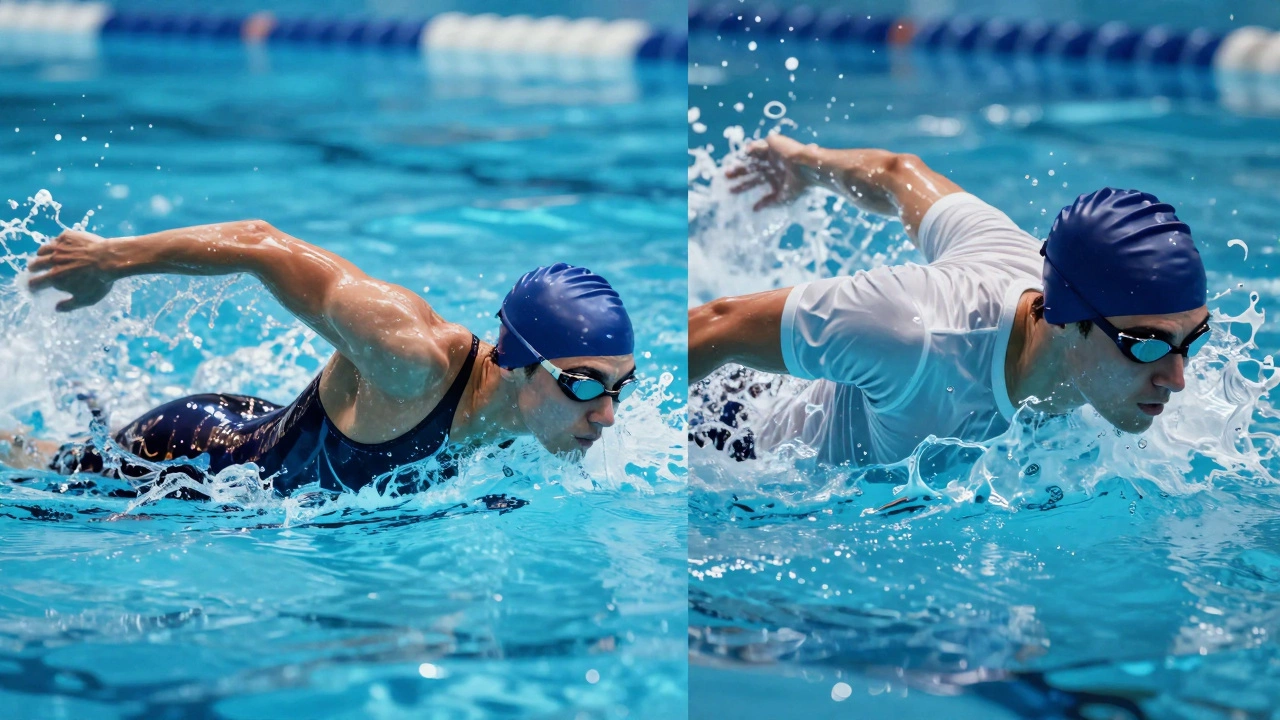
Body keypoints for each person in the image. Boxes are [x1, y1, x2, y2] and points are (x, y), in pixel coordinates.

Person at [689, 134, 1210, 470]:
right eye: (1147, 345)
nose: (1177, 377)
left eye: (1192, 339)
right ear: (1066, 318)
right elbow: (719, 322)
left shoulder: (1029, 262)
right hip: (740, 443)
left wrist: (804, 165)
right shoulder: (915, 333)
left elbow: (898, 173)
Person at [8, 222, 637, 496]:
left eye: (620, 387)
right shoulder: (410, 359)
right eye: (584, 386)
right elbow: (262, 245)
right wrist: (110, 260)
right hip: (190, 461)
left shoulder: (541, 418)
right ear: (516, 363)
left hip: (277, 428)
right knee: (42, 470)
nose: (607, 415)